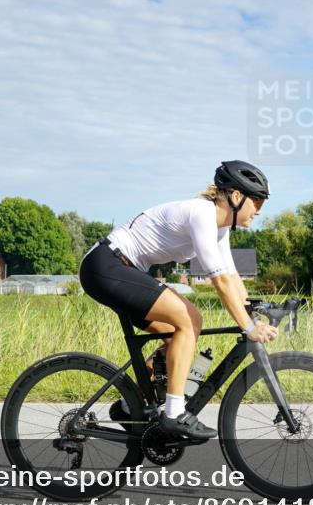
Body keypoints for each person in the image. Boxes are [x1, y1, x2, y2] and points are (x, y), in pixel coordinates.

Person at [78, 160, 279, 440]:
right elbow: (218, 281)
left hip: (123, 271)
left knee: (177, 336)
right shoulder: (202, 215)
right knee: (190, 319)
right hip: (106, 266)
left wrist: (253, 311)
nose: (259, 211)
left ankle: (128, 407)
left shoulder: (220, 229)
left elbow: (232, 277)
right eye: (257, 202)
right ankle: (173, 412)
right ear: (236, 197)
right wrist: (247, 326)